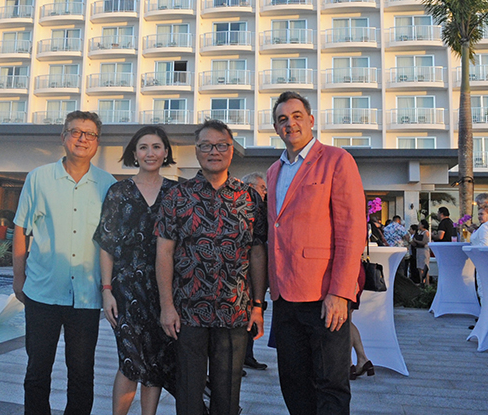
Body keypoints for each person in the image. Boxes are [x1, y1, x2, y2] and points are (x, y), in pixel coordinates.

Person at [156, 119, 267, 415]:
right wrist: (167, 306)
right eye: (206, 145)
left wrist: (258, 305)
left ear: (232, 151)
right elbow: (164, 253)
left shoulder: (250, 199)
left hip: (235, 312)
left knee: (227, 396)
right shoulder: (177, 196)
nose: (213, 151)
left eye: (221, 145)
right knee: (189, 395)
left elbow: (257, 254)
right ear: (197, 151)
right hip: (187, 312)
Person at [266, 91, 365, 415]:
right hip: (284, 297)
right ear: (276, 127)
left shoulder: (337, 160)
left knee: (330, 383)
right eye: (282, 119)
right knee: (292, 381)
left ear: (310, 120)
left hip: (324, 295)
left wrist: (340, 292)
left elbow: (351, 231)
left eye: (296, 116)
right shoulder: (273, 172)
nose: (290, 123)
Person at [12, 111, 117, 415]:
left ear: (97, 142)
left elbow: (111, 242)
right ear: (63, 137)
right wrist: (18, 278)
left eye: (90, 134)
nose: (82, 138)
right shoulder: (39, 177)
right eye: (75, 132)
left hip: (86, 295)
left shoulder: (108, 184)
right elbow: (21, 228)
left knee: (82, 375)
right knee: (36, 373)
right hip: (43, 291)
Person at [94, 126, 178, 415]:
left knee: (155, 361)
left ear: (165, 152)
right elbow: (106, 244)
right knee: (130, 362)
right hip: (126, 290)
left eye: (156, 147)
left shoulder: (175, 192)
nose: (150, 153)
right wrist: (107, 291)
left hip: (164, 292)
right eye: (143, 147)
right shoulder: (118, 192)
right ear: (135, 153)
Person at [240, 172, 269, 371]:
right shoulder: (248, 204)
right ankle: (242, 356)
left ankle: (246, 355)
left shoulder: (260, 206)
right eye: (262, 187)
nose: (265, 192)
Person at [413, 220, 431, 285]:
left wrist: (416, 241)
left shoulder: (426, 233)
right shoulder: (420, 232)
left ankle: (427, 283)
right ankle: (421, 282)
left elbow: (424, 242)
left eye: (420, 224)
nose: (418, 225)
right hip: (419, 250)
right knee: (420, 268)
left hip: (424, 250)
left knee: (424, 267)